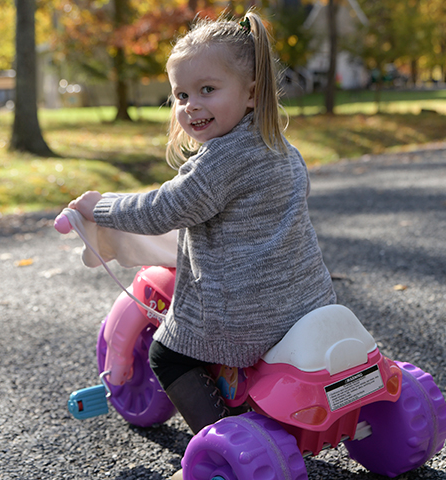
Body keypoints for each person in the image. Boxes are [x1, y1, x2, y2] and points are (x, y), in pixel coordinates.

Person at [68, 10, 336, 477]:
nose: (191, 105)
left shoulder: (220, 161)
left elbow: (161, 211)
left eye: (207, 90)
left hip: (243, 315)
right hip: (307, 303)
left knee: (165, 354)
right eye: (181, 94)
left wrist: (101, 206)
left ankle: (222, 440)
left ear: (252, 92)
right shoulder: (280, 149)